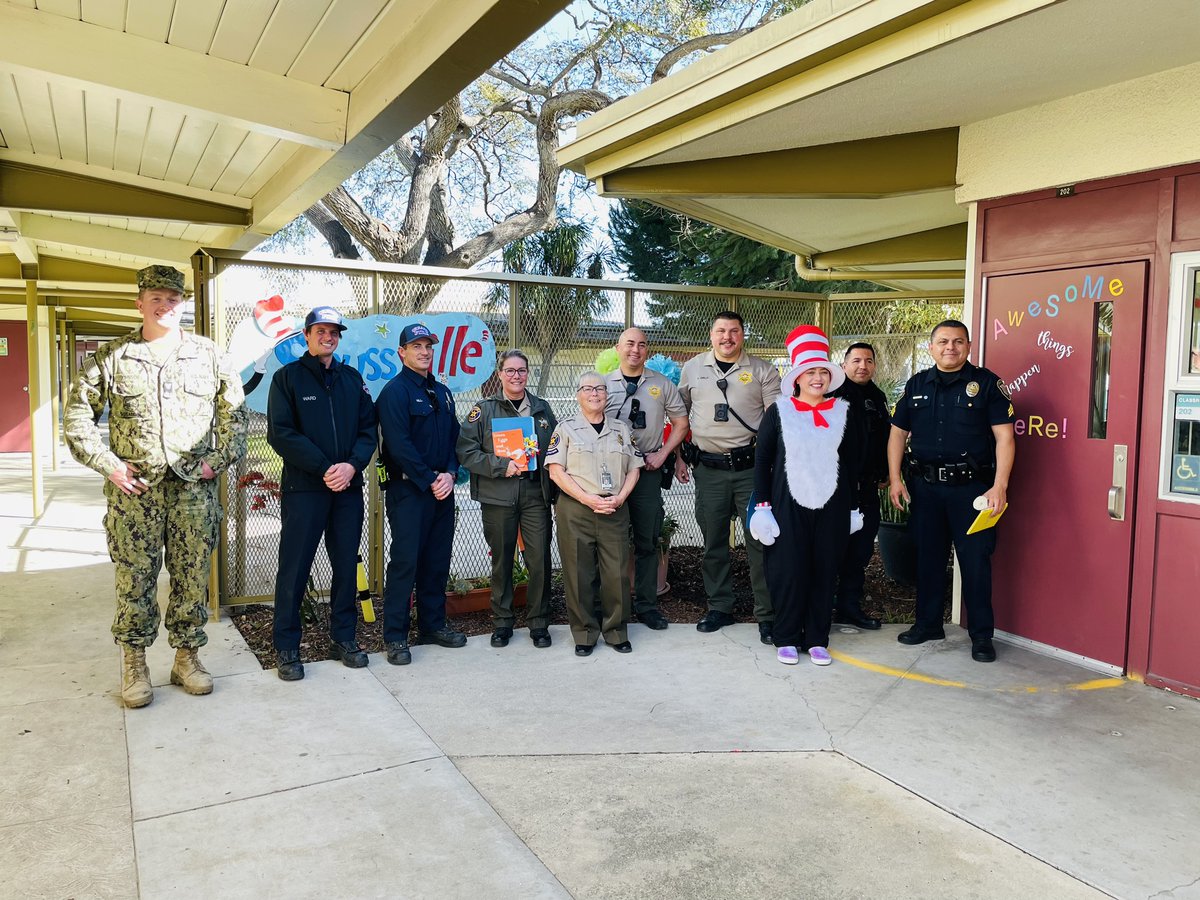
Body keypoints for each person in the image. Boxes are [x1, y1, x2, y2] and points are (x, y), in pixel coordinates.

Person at [63, 265, 247, 708]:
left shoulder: (209, 354)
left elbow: (235, 416)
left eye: (173, 299)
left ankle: (187, 658)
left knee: (191, 577)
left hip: (192, 493)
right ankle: (135, 664)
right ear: (139, 303)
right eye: (157, 299)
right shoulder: (114, 356)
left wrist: (216, 462)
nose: (165, 306)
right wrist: (109, 465)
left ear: (183, 304)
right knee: (135, 580)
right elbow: (76, 418)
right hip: (135, 494)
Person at [888, 320, 1016, 663]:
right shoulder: (916, 384)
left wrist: (999, 485)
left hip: (972, 490)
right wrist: (896, 479)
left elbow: (1005, 437)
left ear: (969, 347)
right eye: (943, 341)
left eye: (958, 342)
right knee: (928, 559)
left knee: (975, 563)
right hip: (926, 488)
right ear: (931, 347)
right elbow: (898, 434)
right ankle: (928, 624)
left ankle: (981, 636)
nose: (950, 347)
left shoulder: (987, 384)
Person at [266, 306, 378, 681]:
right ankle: (286, 647)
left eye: (334, 332)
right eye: (321, 331)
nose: (328, 337)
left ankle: (343, 639)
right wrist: (323, 467)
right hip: (305, 489)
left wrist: (351, 466)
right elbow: (281, 433)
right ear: (307, 335)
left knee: (346, 565)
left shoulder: (351, 379)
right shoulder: (287, 379)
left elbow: (367, 431)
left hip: (347, 488)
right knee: (294, 568)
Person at [749, 325, 864, 666]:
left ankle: (816, 637)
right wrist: (763, 507)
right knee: (788, 569)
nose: (817, 378)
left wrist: (854, 507)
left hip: (832, 505)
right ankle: (785, 635)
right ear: (797, 378)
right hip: (787, 505)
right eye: (810, 372)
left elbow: (854, 463)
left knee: (824, 569)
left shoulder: (844, 412)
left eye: (822, 372)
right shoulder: (779, 412)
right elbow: (762, 461)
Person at [676, 311, 782, 642]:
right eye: (721, 331)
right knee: (713, 544)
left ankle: (767, 613)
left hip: (751, 471)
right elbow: (678, 416)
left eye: (734, 331)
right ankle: (719, 607)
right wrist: (679, 457)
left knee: (760, 542)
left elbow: (774, 421)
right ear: (711, 335)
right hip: (708, 470)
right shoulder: (693, 368)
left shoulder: (763, 370)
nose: (727, 337)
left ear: (742, 335)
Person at [377, 323, 466, 664]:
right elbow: (398, 445)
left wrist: (450, 473)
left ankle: (432, 625)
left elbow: (453, 438)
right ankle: (396, 636)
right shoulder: (394, 392)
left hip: (442, 490)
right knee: (405, 563)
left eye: (428, 346)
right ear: (402, 352)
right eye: (416, 346)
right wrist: (430, 478)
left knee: (436, 560)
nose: (424, 351)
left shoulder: (442, 392)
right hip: (409, 490)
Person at [457, 349, 558, 649]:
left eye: (522, 370)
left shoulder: (541, 409)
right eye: (510, 370)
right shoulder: (483, 410)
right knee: (502, 559)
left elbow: (556, 447)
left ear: (528, 374)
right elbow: (466, 451)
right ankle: (502, 623)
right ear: (500, 374)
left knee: (539, 558)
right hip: (498, 495)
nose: (516, 376)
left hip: (534, 494)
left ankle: (539, 622)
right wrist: (502, 466)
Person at [547, 372, 644, 656]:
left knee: (616, 574)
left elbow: (634, 468)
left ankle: (615, 631)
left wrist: (620, 497)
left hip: (614, 508)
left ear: (607, 394)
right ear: (578, 394)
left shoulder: (621, 429)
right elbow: (556, 471)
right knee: (579, 574)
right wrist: (587, 499)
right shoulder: (565, 429)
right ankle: (585, 634)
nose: (594, 394)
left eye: (600, 389)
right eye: (588, 389)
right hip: (577, 509)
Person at [601, 328, 689, 630]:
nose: (635, 350)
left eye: (641, 345)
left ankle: (648, 606)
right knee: (611, 542)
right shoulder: (602, 384)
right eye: (629, 344)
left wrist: (665, 454)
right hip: (611, 473)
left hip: (648, 470)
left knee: (647, 540)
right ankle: (615, 606)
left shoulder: (662, 384)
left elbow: (680, 422)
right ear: (618, 348)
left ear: (647, 350)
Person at [829, 342, 888, 630]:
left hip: (867, 490)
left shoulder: (878, 397)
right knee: (831, 549)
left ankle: (849, 607)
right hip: (836, 490)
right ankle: (820, 607)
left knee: (861, 550)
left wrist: (887, 472)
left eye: (868, 360)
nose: (862, 366)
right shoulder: (831, 395)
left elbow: (886, 438)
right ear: (844, 365)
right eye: (855, 360)